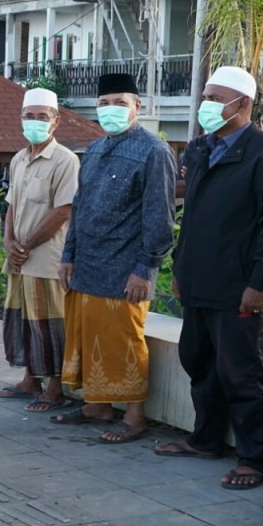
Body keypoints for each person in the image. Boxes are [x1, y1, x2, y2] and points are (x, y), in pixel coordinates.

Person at [154, 66, 263, 487]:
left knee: (244, 372)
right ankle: (205, 438)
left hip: (242, 286)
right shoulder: (200, 149)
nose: (207, 105)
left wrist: (261, 282)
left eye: (216, 98)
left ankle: (253, 458)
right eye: (206, 97)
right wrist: (181, 269)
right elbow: (192, 216)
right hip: (200, 279)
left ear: (243, 104)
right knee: (199, 363)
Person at [54, 73, 176, 443]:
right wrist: (68, 254)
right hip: (87, 263)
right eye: (104, 103)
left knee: (124, 343)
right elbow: (80, 205)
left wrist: (145, 269)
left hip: (127, 270)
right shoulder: (94, 149)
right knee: (89, 338)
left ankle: (135, 417)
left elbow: (159, 217)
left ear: (138, 106)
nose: (111, 110)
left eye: (120, 103)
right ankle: (98, 405)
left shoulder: (154, 151)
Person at [0, 88, 79, 410]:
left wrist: (25, 245)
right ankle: (30, 380)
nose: (35, 123)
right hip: (20, 259)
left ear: (56, 122)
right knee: (22, 320)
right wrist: (8, 241)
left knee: (50, 323)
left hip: (46, 259)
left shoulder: (65, 160)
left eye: (43, 117)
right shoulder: (19, 158)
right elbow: (12, 204)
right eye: (29, 117)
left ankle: (55, 388)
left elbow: (64, 210)